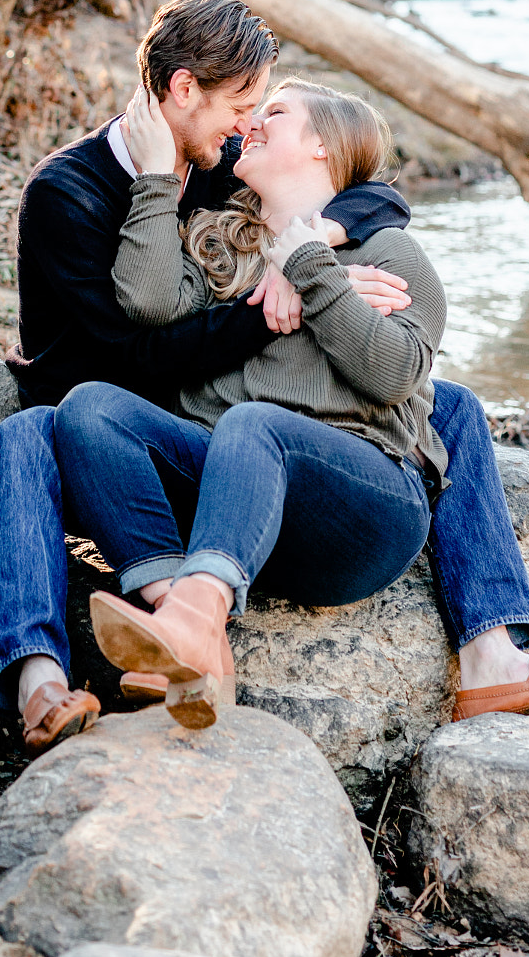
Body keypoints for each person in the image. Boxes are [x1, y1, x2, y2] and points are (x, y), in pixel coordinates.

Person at [0, 0, 529, 756]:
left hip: (237, 436)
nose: (248, 127)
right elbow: (139, 353)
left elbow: (372, 186)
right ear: (183, 91)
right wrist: (268, 301)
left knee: (447, 405)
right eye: (243, 106)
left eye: (264, 114)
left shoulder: (226, 161)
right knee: (36, 430)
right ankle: (60, 674)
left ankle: (491, 649)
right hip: (123, 411)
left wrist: (309, 246)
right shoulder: (67, 196)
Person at [53, 79, 448, 726]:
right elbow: (147, 301)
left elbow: (394, 374)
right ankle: (185, 634)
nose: (252, 123)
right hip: (240, 509)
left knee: (255, 423)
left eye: (277, 113)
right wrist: (156, 177)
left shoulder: (385, 250)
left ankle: (194, 615)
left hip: (358, 511)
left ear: (322, 145)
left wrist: (309, 267)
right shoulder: (221, 246)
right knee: (89, 410)